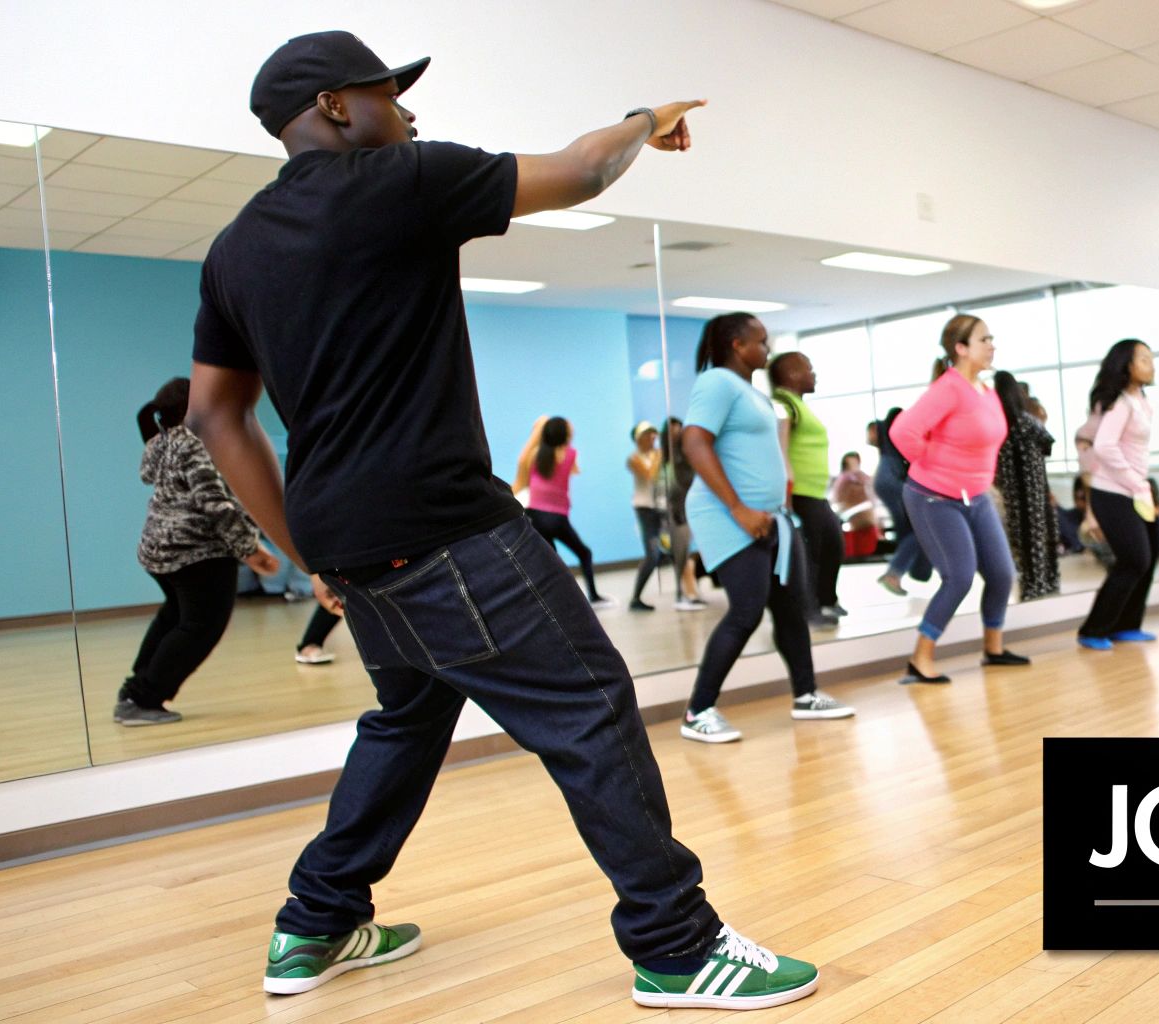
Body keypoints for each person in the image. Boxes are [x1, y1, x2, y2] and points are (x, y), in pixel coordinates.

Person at [187, 33, 814, 1007]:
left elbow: (215, 415)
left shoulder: (234, 251)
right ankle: (677, 945)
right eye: (389, 94)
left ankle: (315, 920)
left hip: (351, 546)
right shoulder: (395, 180)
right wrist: (648, 119)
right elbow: (579, 169)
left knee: (407, 715)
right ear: (338, 107)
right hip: (443, 527)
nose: (407, 111)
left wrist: (307, 550)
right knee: (591, 709)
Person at [679, 315, 855, 743]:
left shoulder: (748, 391)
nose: (769, 347)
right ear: (737, 345)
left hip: (770, 518)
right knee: (747, 610)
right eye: (761, 340)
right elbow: (694, 442)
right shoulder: (717, 383)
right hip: (730, 516)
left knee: (791, 607)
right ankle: (698, 711)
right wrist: (738, 508)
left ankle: (806, 695)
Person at [119, 377, 281, 725]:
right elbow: (214, 503)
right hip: (196, 552)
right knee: (200, 626)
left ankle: (134, 691)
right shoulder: (196, 444)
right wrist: (251, 549)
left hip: (159, 549)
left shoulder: (161, 442)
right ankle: (144, 698)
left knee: (176, 616)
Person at [889, 314, 1031, 682]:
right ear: (961, 348)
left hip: (976, 496)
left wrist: (979, 478)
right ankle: (920, 659)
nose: (991, 345)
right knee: (959, 576)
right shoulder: (948, 388)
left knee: (1001, 573)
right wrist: (932, 463)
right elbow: (902, 431)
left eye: (991, 338)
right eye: (984, 339)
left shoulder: (986, 391)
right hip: (934, 497)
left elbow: (983, 443)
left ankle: (994, 649)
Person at [1076, 340, 1159, 648]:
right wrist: (1134, 481)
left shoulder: (1142, 401)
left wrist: (1141, 485)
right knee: (1134, 560)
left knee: (1148, 559)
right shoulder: (1121, 403)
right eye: (1144, 359)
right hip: (1112, 492)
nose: (1151, 364)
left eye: (1151, 359)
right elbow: (1104, 446)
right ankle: (1093, 630)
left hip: (1136, 490)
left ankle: (1127, 624)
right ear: (1127, 365)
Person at [770, 352, 844, 625]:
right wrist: (785, 492)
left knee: (833, 544)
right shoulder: (784, 404)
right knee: (810, 554)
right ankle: (807, 609)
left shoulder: (799, 404)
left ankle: (826, 600)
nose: (814, 374)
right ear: (791, 374)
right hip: (798, 492)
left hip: (815, 492)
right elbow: (781, 450)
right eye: (809, 368)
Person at [513, 415, 613, 608]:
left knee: (552, 561)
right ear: (565, 434)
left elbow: (522, 458)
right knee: (584, 553)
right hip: (556, 518)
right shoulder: (570, 454)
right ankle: (593, 596)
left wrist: (538, 429)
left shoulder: (536, 455)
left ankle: (553, 602)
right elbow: (574, 468)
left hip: (534, 515)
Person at [992, 370, 1061, 601]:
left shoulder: (998, 424)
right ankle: (1046, 583)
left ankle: (1030, 585)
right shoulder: (1027, 421)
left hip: (1011, 490)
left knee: (1021, 537)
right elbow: (1048, 444)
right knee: (1041, 534)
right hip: (1034, 488)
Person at [873, 406, 931, 595]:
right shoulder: (899, 435)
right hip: (894, 481)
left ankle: (908, 570)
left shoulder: (887, 436)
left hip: (885, 480)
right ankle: (896, 573)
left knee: (909, 529)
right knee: (921, 529)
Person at [663, 417, 706, 611]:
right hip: (675, 509)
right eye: (672, 429)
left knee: (692, 554)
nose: (676, 432)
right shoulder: (666, 459)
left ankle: (691, 590)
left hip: (690, 507)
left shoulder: (685, 454)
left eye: (678, 428)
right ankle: (687, 593)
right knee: (682, 554)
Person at [624, 421, 664, 611]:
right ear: (638, 439)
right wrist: (659, 455)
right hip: (645, 509)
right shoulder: (633, 459)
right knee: (653, 554)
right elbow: (650, 474)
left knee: (671, 551)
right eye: (647, 434)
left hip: (660, 508)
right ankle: (636, 597)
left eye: (653, 434)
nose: (652, 438)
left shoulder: (658, 455)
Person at [832, 452, 880, 559]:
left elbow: (873, 496)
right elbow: (837, 499)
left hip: (866, 517)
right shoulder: (844, 479)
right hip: (851, 518)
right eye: (850, 462)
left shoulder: (864, 478)